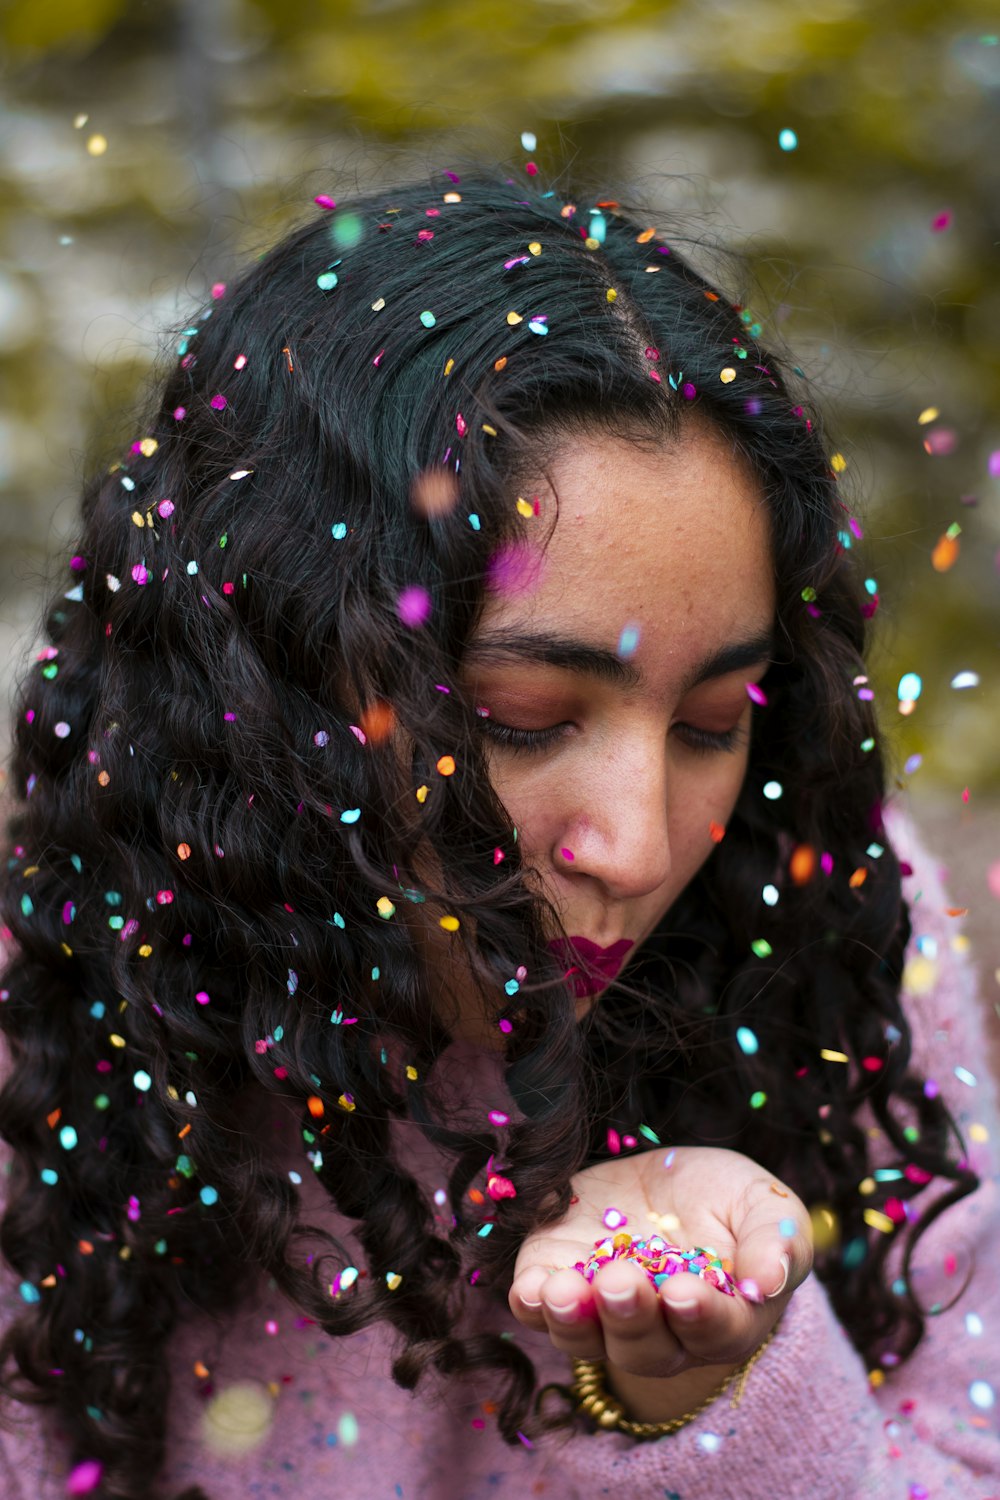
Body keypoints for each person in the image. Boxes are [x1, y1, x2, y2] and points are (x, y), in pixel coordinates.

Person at [0, 161, 997, 1500]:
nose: (639, 848)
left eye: (712, 721)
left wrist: (709, 1398)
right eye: (526, 718)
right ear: (272, 685)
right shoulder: (56, 980)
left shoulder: (823, 907)